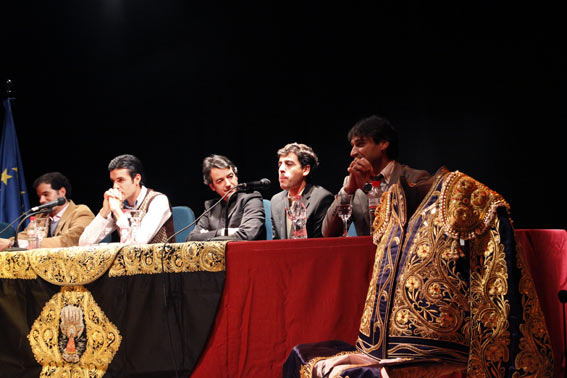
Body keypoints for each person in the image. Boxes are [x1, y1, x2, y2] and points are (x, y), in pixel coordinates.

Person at [322, 115, 431, 237]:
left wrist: (369, 189)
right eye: (352, 146)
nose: (352, 153)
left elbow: (410, 228)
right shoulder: (352, 183)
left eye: (360, 144)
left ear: (383, 143)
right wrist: (347, 191)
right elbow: (328, 233)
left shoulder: (416, 179)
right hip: (365, 255)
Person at [79, 154, 174, 245]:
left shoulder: (158, 201)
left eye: (120, 180)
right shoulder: (118, 204)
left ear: (137, 179)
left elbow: (137, 244)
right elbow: (84, 243)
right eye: (113, 181)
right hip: (130, 261)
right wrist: (104, 211)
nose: (115, 186)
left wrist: (117, 211)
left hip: (160, 260)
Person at [0, 172, 95, 250]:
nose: (41, 200)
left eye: (46, 194)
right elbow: (24, 236)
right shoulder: (41, 215)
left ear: (62, 192)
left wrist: (12, 243)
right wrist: (8, 242)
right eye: (39, 196)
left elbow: (70, 240)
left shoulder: (81, 212)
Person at [187, 154, 265, 241]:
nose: (228, 184)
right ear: (212, 186)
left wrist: (207, 236)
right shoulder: (211, 207)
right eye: (220, 181)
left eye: (230, 176)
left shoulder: (251, 198)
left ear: (236, 176)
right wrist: (223, 232)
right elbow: (191, 239)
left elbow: (247, 235)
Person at [270, 143, 333, 239]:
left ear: (305, 169)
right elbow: (276, 242)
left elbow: (320, 244)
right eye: (280, 164)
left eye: (289, 164)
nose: (281, 169)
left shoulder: (322, 198)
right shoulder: (276, 200)